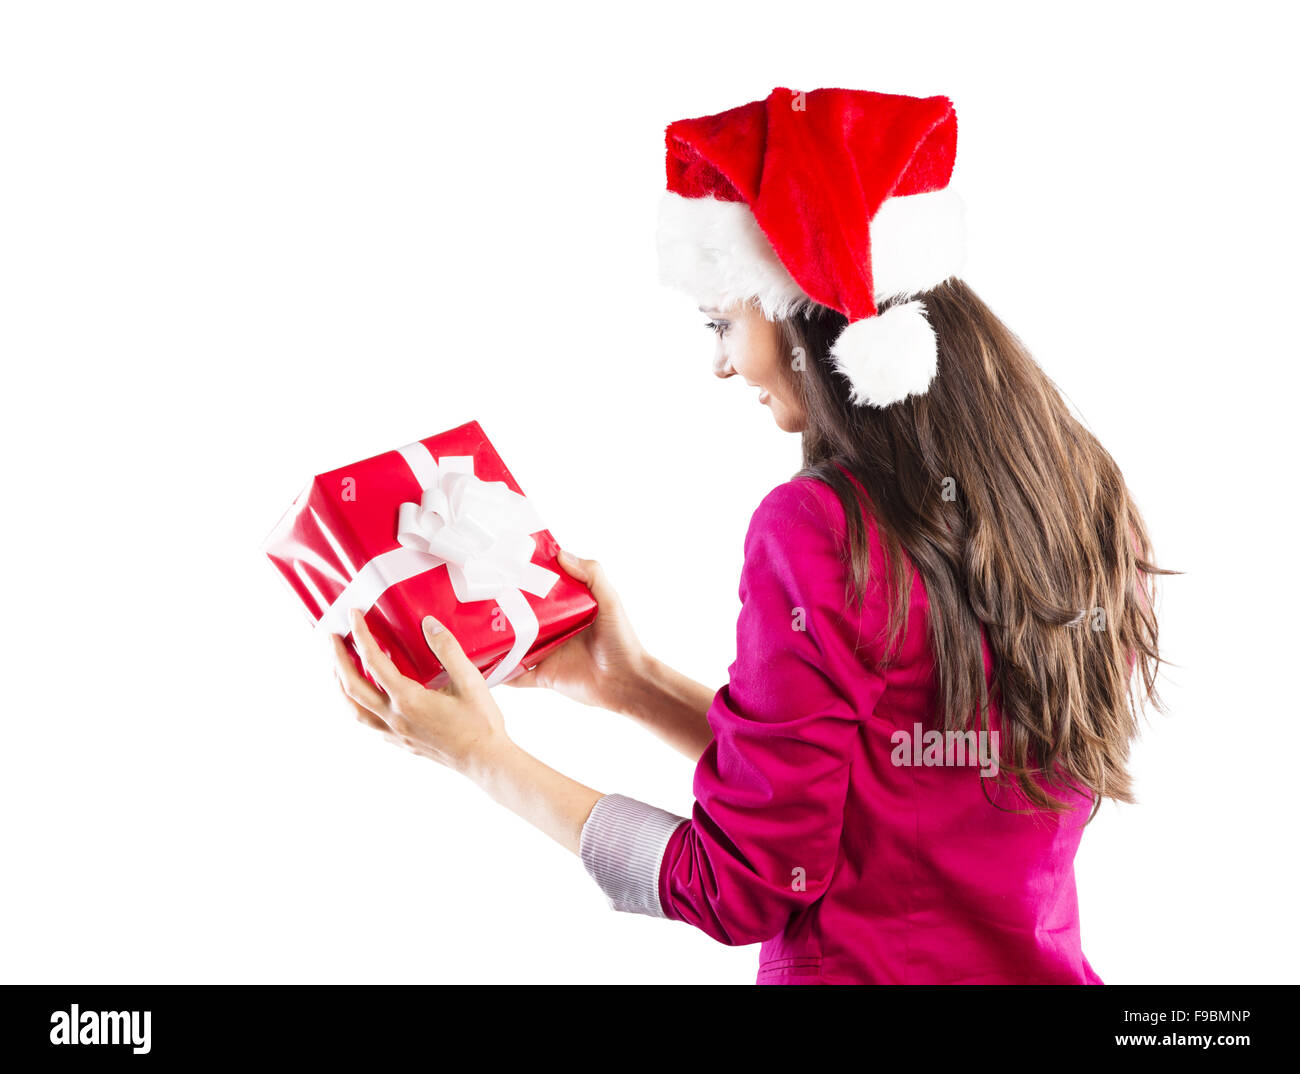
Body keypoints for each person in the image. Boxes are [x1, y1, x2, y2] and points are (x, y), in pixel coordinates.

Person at [330, 87, 1165, 985]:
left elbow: (738, 887)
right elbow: (878, 790)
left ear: (803, 309)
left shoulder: (820, 529)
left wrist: (482, 757)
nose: (721, 362)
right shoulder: (1078, 492)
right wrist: (632, 685)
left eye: (722, 321)